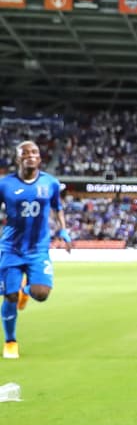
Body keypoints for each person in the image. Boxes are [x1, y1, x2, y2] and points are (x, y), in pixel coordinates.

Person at [0, 141, 71, 359]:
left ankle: (26, 290)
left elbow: (58, 208)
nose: (31, 155)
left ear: (40, 159)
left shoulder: (50, 183)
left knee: (41, 294)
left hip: (38, 249)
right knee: (9, 296)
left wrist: (64, 230)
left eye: (35, 153)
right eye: (25, 153)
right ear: (18, 158)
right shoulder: (5, 185)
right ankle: (11, 341)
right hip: (11, 248)